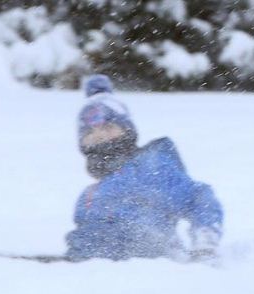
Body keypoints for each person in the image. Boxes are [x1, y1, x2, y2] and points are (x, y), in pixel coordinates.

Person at [65, 74, 223, 261]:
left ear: (127, 130)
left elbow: (198, 198)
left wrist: (205, 242)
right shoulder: (89, 196)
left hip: (153, 269)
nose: (99, 136)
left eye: (108, 127)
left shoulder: (151, 167)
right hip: (102, 280)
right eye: (90, 131)